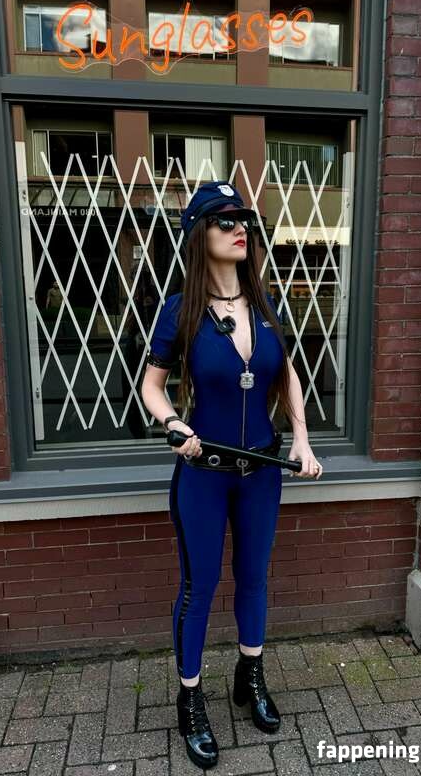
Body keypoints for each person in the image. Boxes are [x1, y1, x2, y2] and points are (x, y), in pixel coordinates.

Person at [140, 180, 322, 770]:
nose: (239, 227)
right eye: (224, 219)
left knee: (253, 579)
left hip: (262, 471)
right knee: (200, 587)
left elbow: (286, 374)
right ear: (200, 235)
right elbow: (151, 386)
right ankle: (190, 698)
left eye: (244, 218)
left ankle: (250, 675)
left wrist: (301, 438)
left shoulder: (265, 305)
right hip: (204, 472)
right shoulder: (180, 310)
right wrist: (173, 423)